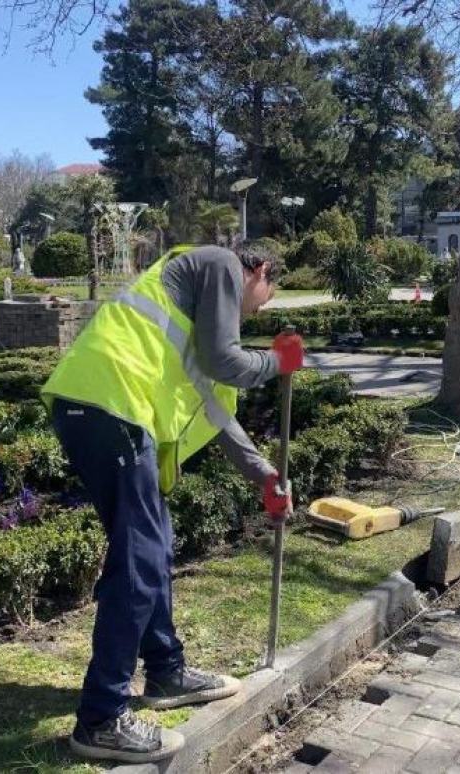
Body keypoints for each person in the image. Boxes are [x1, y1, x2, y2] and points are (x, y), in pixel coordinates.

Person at [41, 243, 304, 764]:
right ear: (262, 272)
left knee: (152, 551)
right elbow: (228, 363)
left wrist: (265, 475)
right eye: (262, 301)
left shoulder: (191, 306)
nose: (253, 311)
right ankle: (101, 718)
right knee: (139, 559)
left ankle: (165, 670)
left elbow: (214, 407)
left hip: (103, 409)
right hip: (110, 406)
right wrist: (277, 360)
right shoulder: (221, 264)